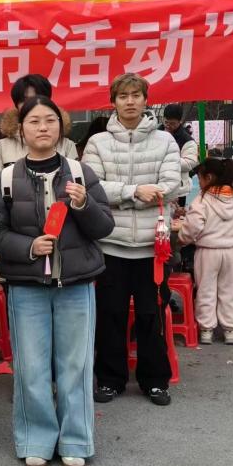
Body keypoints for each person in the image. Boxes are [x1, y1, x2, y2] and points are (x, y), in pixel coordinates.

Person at [0, 96, 114, 466]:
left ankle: (76, 440)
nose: (43, 127)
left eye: (50, 120)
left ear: (61, 127)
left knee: (76, 364)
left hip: (76, 283)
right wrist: (29, 247)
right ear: (20, 129)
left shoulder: (80, 172)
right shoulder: (5, 178)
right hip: (26, 284)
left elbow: (104, 227)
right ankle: (36, 440)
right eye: (34, 121)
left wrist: (84, 205)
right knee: (31, 366)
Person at [82, 73, 181, 407]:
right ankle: (110, 379)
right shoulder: (98, 142)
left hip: (153, 248)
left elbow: (170, 185)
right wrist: (135, 191)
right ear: (113, 102)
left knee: (152, 315)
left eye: (136, 95)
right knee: (110, 315)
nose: (129, 101)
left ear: (145, 100)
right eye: (123, 96)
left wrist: (124, 197)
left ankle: (155, 380)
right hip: (111, 244)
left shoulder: (165, 141)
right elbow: (92, 187)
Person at [176, 158, 233, 345]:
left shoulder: (203, 199)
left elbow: (193, 226)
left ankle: (206, 329)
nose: (198, 182)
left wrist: (182, 238)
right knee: (230, 291)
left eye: (199, 178)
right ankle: (230, 330)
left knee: (206, 290)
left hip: (207, 251)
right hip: (231, 252)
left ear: (208, 177)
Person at [0, 74, 78, 170]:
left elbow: (74, 176)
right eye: (25, 100)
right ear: (16, 105)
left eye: (37, 98)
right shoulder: (1, 147)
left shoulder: (67, 145)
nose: (32, 104)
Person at [161, 104, 198, 205]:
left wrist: (166, 161)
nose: (168, 126)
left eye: (172, 123)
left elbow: (190, 163)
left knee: (177, 214)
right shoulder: (155, 133)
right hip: (158, 185)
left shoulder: (187, 140)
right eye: (166, 122)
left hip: (178, 188)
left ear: (180, 121)